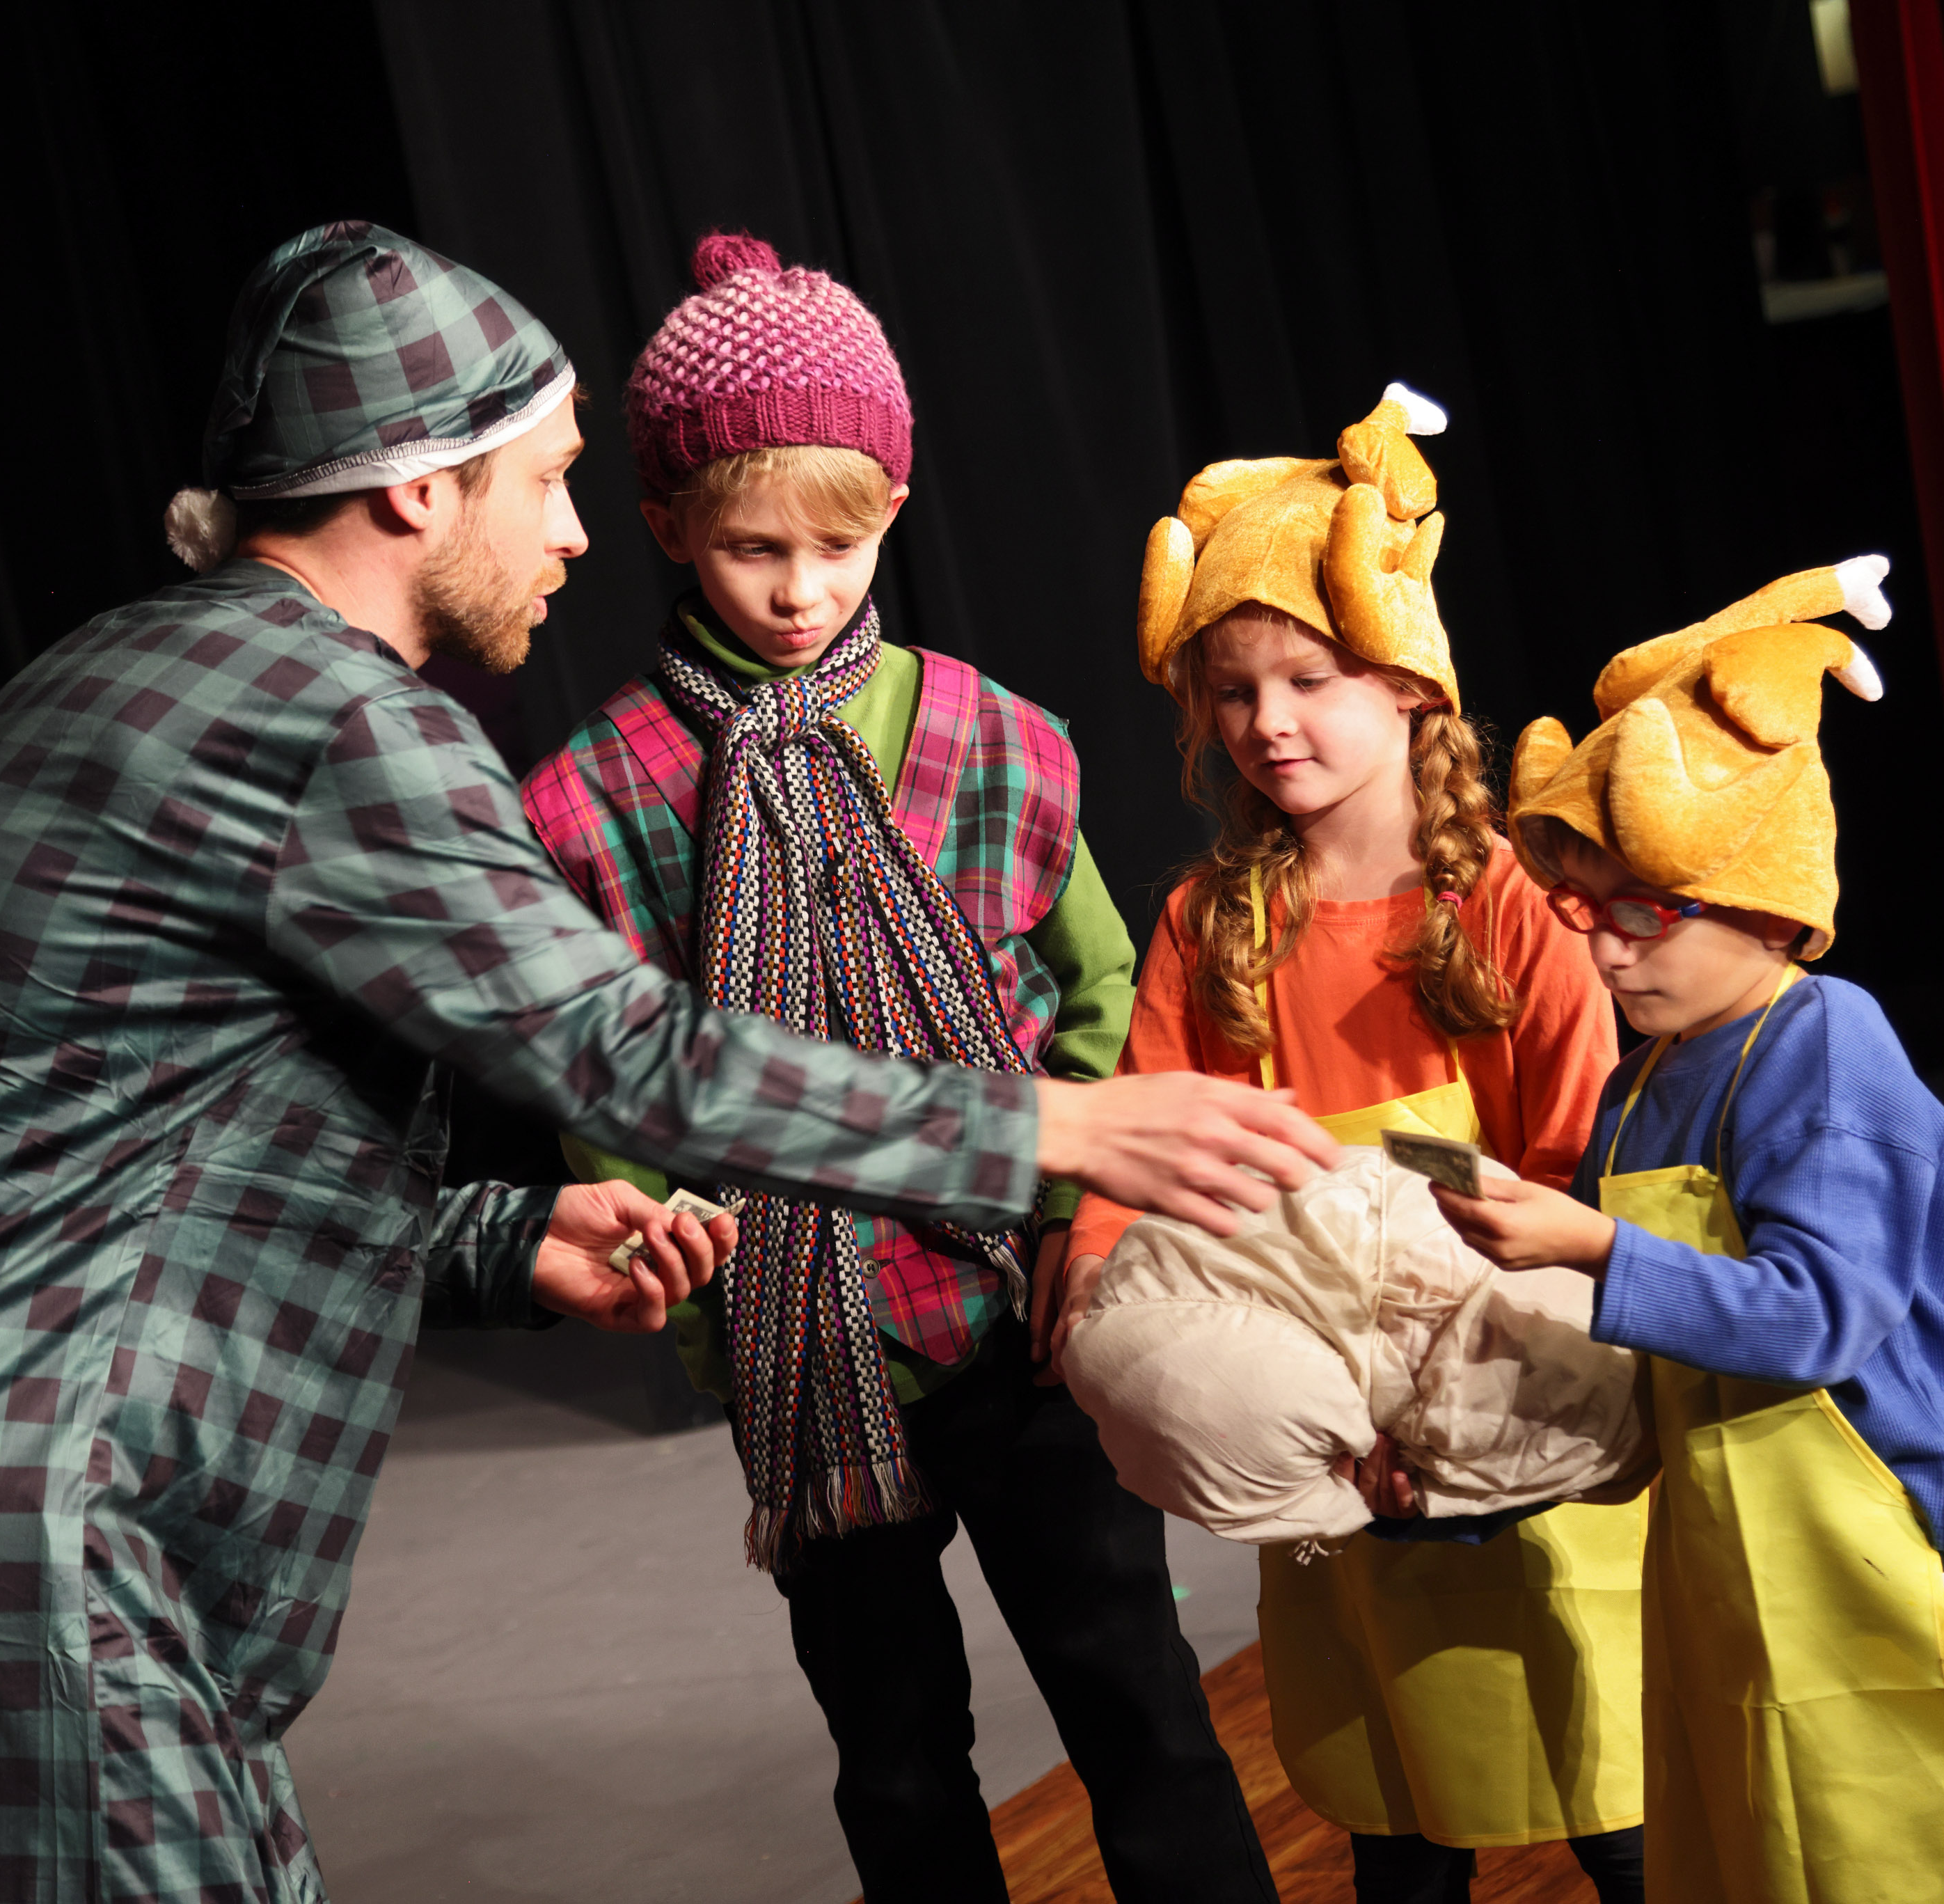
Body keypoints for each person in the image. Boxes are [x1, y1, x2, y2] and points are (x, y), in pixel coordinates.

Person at [0, 221, 1333, 1904]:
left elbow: (129, 1147)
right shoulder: (337, 720)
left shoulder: (129, 667)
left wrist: (495, 1240)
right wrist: (1055, 1129)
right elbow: (627, 1055)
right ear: (418, 487)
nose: (572, 531)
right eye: (544, 481)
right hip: (7, 1500)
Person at [519, 230, 1274, 1904]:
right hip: (806, 1348)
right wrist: (688, 1282)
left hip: (1021, 1311)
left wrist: (1081, 1227)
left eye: (841, 544)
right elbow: (605, 1084)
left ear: (896, 512)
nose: (801, 589)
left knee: (1141, 1706)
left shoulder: (990, 734)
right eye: (753, 548)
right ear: (665, 525)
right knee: (897, 1756)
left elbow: (1094, 994)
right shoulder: (593, 796)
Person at [1437, 560, 1944, 1903]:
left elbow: (1818, 1316)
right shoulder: (1639, 1085)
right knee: (1761, 1856)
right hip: (1726, 1543)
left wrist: (1592, 1250)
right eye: (1586, 915)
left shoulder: (1826, 1045)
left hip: (1883, 1535)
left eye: (1645, 915)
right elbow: (1640, 1354)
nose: (1606, 954)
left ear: (1768, 896)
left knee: (1894, 1859)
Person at [1059, 387, 1647, 1904]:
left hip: (1495, 1379)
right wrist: (1109, 1311)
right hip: (1319, 1401)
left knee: (1613, 1800)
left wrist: (1439, 1403)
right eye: (1233, 691)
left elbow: (1570, 1167)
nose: (1267, 723)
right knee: (1404, 1818)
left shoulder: (1508, 904)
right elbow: (1141, 1171)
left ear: (1405, 684)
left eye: (1307, 680)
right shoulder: (1210, 924)